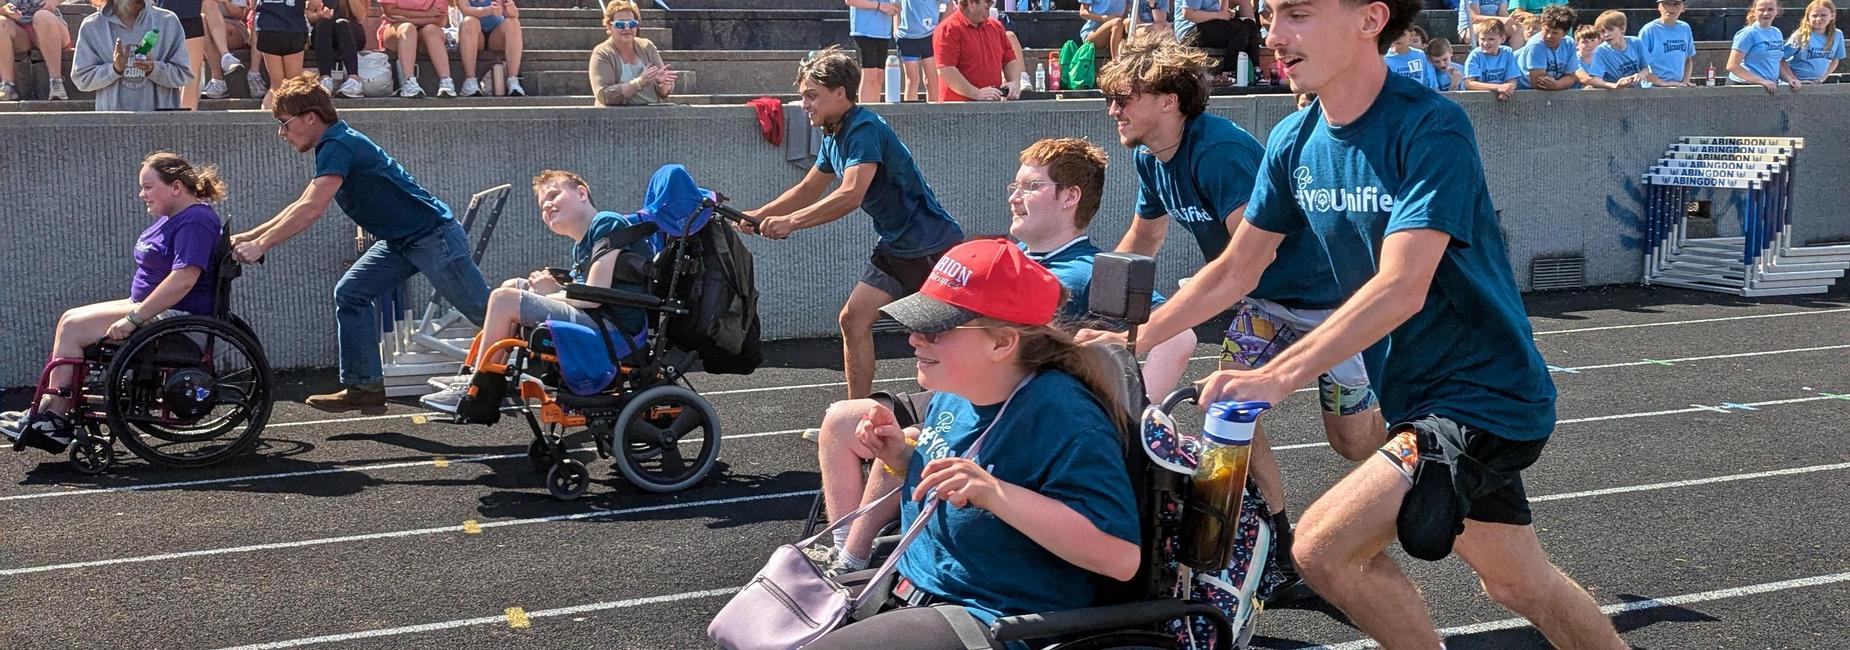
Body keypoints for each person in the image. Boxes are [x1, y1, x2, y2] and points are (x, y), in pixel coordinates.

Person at [1204, 0, 1631, 645]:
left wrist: (1275, 377)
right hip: (1415, 396)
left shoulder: (1432, 126)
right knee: (1518, 583)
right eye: (1270, 15)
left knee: (1321, 549)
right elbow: (1239, 266)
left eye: (1296, 13)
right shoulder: (1295, 140)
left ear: (1370, 20)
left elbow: (1403, 286)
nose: (1274, 35)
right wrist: (1135, 338)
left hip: (1485, 395)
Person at [1079, 30, 1385, 600]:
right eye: (1110, 99)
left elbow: (1245, 261)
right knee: (1227, 405)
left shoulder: (1219, 152)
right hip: (1267, 305)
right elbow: (1143, 237)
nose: (1112, 110)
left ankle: (1409, 450)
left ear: (1168, 101)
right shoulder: (1152, 157)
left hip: (1328, 303)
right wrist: (1097, 311)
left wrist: (1134, 337)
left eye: (1123, 98)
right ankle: (1277, 539)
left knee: (1352, 444)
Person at [811, 138, 1196, 574]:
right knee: (848, 420)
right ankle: (846, 554)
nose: (1014, 196)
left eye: (1030, 187)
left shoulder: (1094, 270)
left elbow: (1179, 337)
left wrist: (1124, 412)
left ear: (1071, 197)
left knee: (921, 438)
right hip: (973, 388)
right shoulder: (1006, 259)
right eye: (1014, 186)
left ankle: (852, 563)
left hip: (1020, 404)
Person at [801, 238, 1141, 649]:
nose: (914, 338)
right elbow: (960, 473)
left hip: (991, 619)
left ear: (1001, 342)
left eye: (935, 328)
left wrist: (996, 494)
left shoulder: (1066, 419)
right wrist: (902, 456)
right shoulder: (960, 389)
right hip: (913, 590)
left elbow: (1121, 558)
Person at [232, 74, 490, 414]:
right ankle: (364, 387)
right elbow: (302, 203)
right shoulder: (334, 142)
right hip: (403, 240)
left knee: (487, 314)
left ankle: (569, 361)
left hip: (433, 237)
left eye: (284, 123)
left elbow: (312, 208)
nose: (282, 133)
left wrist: (262, 245)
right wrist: (251, 236)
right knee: (351, 293)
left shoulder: (338, 143)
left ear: (310, 117)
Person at [742, 46, 963, 401]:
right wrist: (759, 215)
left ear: (840, 93)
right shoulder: (833, 133)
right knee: (853, 319)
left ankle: (964, 415)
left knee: (947, 337)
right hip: (896, 247)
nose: (804, 104)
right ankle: (855, 415)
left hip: (932, 248)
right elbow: (809, 188)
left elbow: (850, 195)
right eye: (803, 96)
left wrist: (790, 223)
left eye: (811, 96)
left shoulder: (863, 129)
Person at [3, 152, 224, 452]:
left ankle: (55, 417)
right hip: (153, 309)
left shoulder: (195, 220)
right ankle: (51, 407)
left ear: (175, 187)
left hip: (177, 319)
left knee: (74, 330)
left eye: (148, 187)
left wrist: (133, 318)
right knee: (69, 319)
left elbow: (184, 279)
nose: (141, 194)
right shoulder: (173, 217)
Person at [420, 170, 658, 412]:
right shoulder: (581, 244)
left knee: (504, 299)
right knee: (512, 286)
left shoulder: (607, 223)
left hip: (614, 329)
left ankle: (479, 391)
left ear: (582, 193)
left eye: (554, 195)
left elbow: (593, 296)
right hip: (600, 318)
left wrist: (547, 293)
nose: (547, 207)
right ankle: (479, 374)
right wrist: (553, 290)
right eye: (543, 206)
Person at [72, 0, 194, 111]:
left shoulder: (168, 21)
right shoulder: (92, 26)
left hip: (160, 126)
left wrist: (153, 69)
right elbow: (82, 79)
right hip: (111, 127)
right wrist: (114, 69)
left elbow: (183, 75)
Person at [589, 0, 674, 106]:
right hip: (617, 117)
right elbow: (604, 95)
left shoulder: (647, 46)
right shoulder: (602, 53)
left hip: (652, 114)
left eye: (632, 23)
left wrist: (663, 85)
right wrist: (638, 82)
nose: (627, 28)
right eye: (620, 24)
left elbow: (663, 92)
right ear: (610, 26)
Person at [933, 0, 1021, 101]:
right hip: (957, 111)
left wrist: (1014, 82)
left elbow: (1009, 60)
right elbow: (946, 70)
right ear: (972, 3)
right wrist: (976, 94)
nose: (992, 3)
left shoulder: (996, 26)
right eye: (987, 1)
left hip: (991, 106)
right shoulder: (948, 29)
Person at [1175, 0, 1263, 85]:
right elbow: (1188, 13)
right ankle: (1228, 73)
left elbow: (1222, 15)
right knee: (1239, 30)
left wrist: (1223, 12)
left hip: (1211, 23)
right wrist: (1218, 15)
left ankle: (1256, 70)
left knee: (1249, 25)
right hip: (1190, 31)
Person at [378, 0, 454, 97]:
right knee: (408, 29)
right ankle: (409, 81)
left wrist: (406, 18)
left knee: (432, 30)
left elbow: (440, 20)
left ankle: (446, 80)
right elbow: (390, 12)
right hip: (395, 29)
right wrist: (428, 13)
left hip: (423, 30)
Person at [0, 0, 73, 100]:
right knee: (1, 22)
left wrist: (55, 2)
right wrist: (4, 10)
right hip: (19, 32)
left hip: (50, 27)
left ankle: (56, 81)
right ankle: (7, 84)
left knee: (42, 16)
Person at [1728, 0, 1801, 92]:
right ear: (1754, 11)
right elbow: (1732, 66)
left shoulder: (1776, 32)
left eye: (1770, 9)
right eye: (1761, 9)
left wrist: (1790, 79)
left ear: (1777, 11)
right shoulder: (1748, 33)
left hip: (1769, 86)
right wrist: (1761, 81)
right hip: (1745, 86)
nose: (1766, 13)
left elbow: (1776, 62)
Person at [455, 0, 523, 96]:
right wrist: (487, 10)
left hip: (496, 35)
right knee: (469, 21)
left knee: (513, 22)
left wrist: (511, 11)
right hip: (475, 34)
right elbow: (465, 9)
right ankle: (470, 81)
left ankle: (513, 80)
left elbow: (513, 12)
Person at [200, 0, 265, 99]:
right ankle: (218, 78)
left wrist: (225, 2)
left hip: (234, 28)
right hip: (207, 28)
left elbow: (240, 15)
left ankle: (226, 58)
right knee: (205, 12)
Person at [251, 0, 310, 107]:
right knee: (293, 85)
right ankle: (291, 121)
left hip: (267, 25)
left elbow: (252, 5)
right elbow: (314, 4)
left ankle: (264, 121)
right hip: (293, 26)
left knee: (276, 85)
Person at [154, 0, 211, 108]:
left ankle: (185, 119)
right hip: (178, 15)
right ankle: (186, 121)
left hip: (169, 15)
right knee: (190, 75)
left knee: (190, 75)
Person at [310, 0, 366, 97]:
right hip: (324, 32)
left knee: (342, 23)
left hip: (350, 32)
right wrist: (319, 16)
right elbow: (309, 16)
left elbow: (360, 16)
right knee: (324, 23)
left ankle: (354, 79)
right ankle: (325, 80)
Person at [1514, 4, 1577, 90]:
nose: (1548, 36)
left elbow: (1571, 77)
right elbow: (1539, 83)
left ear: (1565, 33)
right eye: (1546, 30)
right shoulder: (1535, 46)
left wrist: (1558, 85)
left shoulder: (1569, 43)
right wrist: (1558, 84)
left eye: (1554, 33)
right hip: (1526, 92)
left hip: (1554, 89)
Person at [1784, 0, 1842, 84]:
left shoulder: (1837, 35)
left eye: (1823, 15)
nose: (1818, 19)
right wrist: (1792, 79)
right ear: (1808, 17)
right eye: (1814, 15)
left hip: (1816, 83)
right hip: (1796, 84)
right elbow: (1781, 58)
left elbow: (1835, 60)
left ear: (1832, 16)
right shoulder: (1801, 35)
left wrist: (1823, 78)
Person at [1590, 10, 1654, 86]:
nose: (1606, 34)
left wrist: (1640, 75)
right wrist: (1615, 85)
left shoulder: (1636, 43)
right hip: (1615, 95)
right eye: (1602, 31)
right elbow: (1594, 80)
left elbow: (1646, 68)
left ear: (1623, 28)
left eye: (1611, 29)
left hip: (1637, 92)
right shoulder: (1600, 52)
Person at [1638, 0, 1694, 86]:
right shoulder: (1649, 30)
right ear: (1659, 7)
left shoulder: (1685, 28)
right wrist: (1662, 83)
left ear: (1684, 8)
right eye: (1666, 4)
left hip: (1679, 85)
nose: (1671, 8)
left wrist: (1686, 81)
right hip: (1653, 87)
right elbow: (1639, 64)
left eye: (1676, 4)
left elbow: (1688, 59)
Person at [1464, 17, 1520, 99]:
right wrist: (1497, 88)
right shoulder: (1475, 55)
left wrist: (1508, 91)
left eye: (1491, 39)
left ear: (1502, 39)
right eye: (1482, 39)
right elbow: (1469, 84)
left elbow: (1512, 80)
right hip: (1479, 97)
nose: (1486, 43)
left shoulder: (1507, 52)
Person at [897, 0, 940, 102]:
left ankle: (934, 114)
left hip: (930, 35)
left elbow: (950, 4)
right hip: (907, 37)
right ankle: (910, 115)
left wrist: (940, 26)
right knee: (912, 80)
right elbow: (897, 7)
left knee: (932, 80)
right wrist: (896, 30)